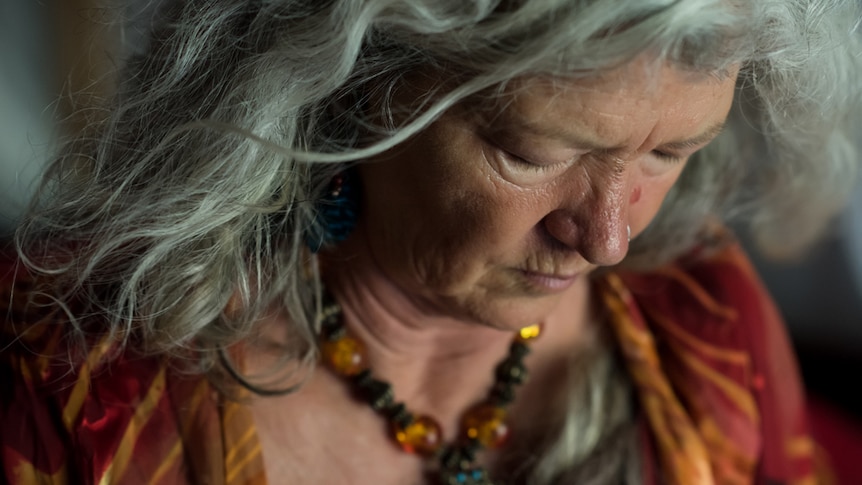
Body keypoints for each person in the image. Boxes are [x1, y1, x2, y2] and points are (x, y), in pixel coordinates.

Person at [2, 1, 861, 484]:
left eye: (670, 152)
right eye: (533, 153)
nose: (605, 238)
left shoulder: (696, 317)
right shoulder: (72, 395)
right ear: (354, 83)